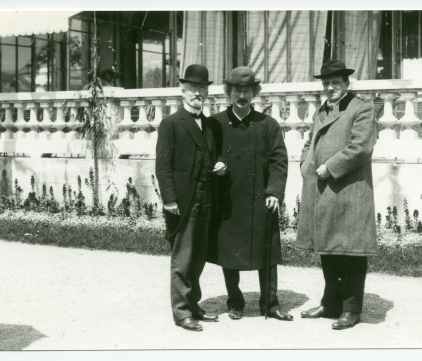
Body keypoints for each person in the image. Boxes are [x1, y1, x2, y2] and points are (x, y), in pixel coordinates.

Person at [296, 59, 378, 330]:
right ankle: (330, 303)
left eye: (336, 83)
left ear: (347, 83)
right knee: (328, 249)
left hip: (350, 192)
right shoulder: (321, 111)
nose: (330, 87)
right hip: (323, 190)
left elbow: (361, 147)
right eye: (326, 83)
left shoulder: (362, 108)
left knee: (352, 252)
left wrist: (329, 167)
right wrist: (305, 163)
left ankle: (351, 309)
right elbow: (310, 141)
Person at [208, 66, 293, 322]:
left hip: (260, 199)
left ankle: (271, 304)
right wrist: (217, 166)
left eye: (247, 90)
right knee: (228, 252)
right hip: (229, 199)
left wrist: (275, 192)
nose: (242, 95)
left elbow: (280, 161)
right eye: (237, 90)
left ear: (254, 92)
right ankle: (235, 300)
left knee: (266, 252)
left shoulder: (268, 124)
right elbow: (208, 155)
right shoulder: (216, 124)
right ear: (229, 93)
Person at [155, 64, 227, 332]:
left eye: (203, 89)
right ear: (182, 90)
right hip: (183, 200)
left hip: (207, 197)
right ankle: (182, 312)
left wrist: (221, 164)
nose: (198, 93)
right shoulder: (171, 124)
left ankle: (194, 305)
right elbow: (162, 166)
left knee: (198, 256)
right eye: (193, 88)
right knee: (183, 256)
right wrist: (170, 199)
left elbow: (216, 155)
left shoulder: (210, 124)